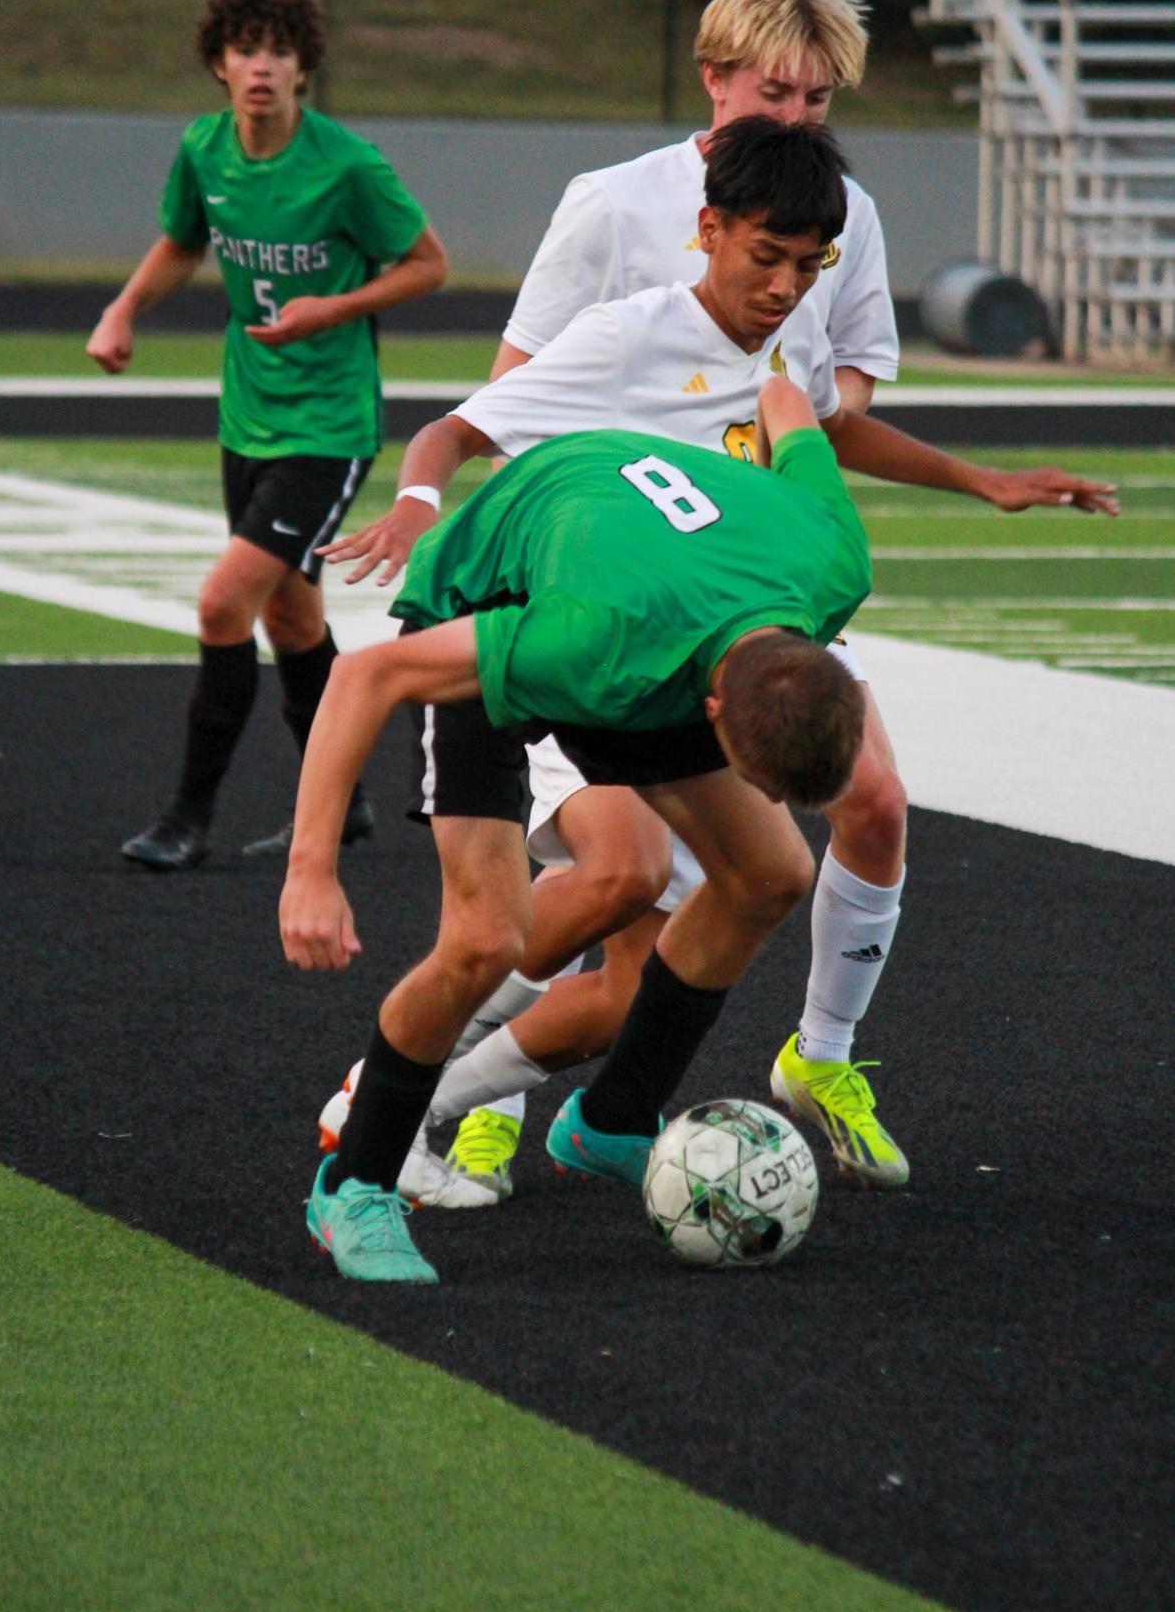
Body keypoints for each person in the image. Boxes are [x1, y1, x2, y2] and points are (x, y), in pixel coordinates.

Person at [318, 115, 1118, 1203]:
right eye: (769, 258)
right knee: (611, 876)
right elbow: (456, 431)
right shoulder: (630, 335)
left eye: (809, 265)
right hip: (584, 636)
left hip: (696, 647)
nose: (790, 284)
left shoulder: (782, 352)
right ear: (708, 227)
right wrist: (417, 506)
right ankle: (379, 1101)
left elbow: (815, 437)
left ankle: (572, 1118)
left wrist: (986, 482)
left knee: (644, 977)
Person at [282, 376, 873, 1284]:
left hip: (663, 603)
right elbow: (367, 675)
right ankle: (353, 1182)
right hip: (500, 589)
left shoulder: (834, 560)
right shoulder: (587, 639)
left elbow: (789, 411)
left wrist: (783, 370)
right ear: (714, 713)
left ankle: (614, 1121)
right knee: (485, 940)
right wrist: (311, 871)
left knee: (769, 872)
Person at [87, 0, 447, 870]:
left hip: (328, 427)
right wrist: (123, 311)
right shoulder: (204, 150)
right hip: (246, 416)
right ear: (218, 63)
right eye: (244, 49)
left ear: (302, 69)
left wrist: (329, 308)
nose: (261, 67)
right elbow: (183, 239)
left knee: (224, 600)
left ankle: (186, 815)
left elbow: (428, 263)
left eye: (278, 52)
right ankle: (350, 804)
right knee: (290, 618)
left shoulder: (348, 165)